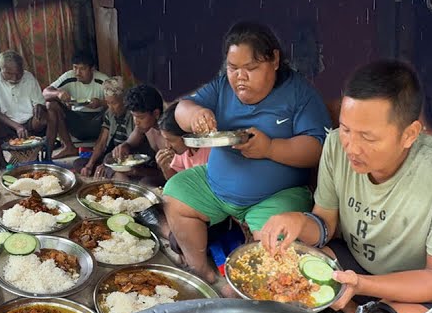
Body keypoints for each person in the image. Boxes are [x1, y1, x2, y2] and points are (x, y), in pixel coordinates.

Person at [261, 59, 432, 313]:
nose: (351, 147)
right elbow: (325, 224)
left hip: (419, 281)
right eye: (346, 129)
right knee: (290, 268)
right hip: (359, 265)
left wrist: (363, 286)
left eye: (368, 137)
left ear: (409, 134)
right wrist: (298, 221)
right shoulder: (335, 146)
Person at [164, 21, 330, 286]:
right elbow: (182, 108)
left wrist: (271, 148)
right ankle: (204, 275)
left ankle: (249, 294)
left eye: (251, 68)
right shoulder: (221, 88)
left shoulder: (299, 93)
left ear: (274, 60)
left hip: (275, 197)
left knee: (271, 250)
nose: (240, 77)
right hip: (215, 186)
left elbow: (317, 147)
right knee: (176, 193)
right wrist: (195, 114)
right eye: (233, 68)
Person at [0, 50, 48, 168]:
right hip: (5, 123)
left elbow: (39, 102)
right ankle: (3, 163)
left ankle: (47, 157)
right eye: (9, 73)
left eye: (19, 73)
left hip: (29, 122)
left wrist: (39, 106)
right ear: (0, 68)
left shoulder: (28, 77)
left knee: (50, 113)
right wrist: (17, 126)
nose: (15, 77)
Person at [44, 51, 109, 159]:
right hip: (76, 121)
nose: (77, 72)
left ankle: (101, 146)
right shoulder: (69, 76)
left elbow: (119, 102)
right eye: (75, 67)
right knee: (51, 104)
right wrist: (58, 93)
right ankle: (68, 147)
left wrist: (101, 103)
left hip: (98, 122)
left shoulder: (103, 80)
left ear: (92, 69)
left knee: (111, 109)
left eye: (82, 69)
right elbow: (45, 92)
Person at [109, 83, 167, 185]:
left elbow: (176, 174)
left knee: (145, 183)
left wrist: (140, 171)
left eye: (140, 117)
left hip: (169, 176)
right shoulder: (144, 126)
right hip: (151, 170)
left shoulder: (168, 134)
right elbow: (130, 143)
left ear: (156, 114)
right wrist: (123, 147)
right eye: (133, 116)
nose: (136, 121)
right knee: (114, 166)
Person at [78, 77, 132, 177]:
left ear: (125, 101)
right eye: (108, 102)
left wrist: (107, 164)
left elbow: (133, 148)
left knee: (117, 174)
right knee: (80, 164)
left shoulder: (133, 115)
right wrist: (90, 165)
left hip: (127, 158)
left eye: (114, 103)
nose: (110, 107)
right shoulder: (109, 114)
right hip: (111, 155)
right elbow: (102, 142)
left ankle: (111, 172)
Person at [155, 103, 210, 181]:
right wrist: (165, 167)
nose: (167, 146)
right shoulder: (183, 151)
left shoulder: (210, 152)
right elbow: (177, 183)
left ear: (188, 136)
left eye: (170, 140)